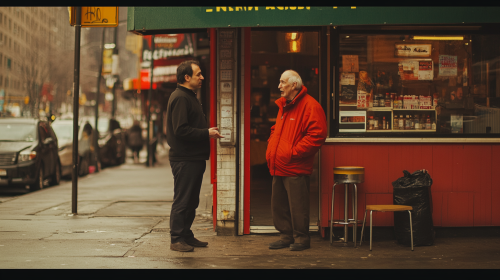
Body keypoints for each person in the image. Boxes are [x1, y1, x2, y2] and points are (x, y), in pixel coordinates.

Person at [266, 70, 327, 251]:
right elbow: (277, 129)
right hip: (279, 164)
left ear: (294, 85)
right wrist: (272, 144)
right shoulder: (284, 105)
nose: (279, 86)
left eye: (282, 82)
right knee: (279, 204)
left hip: (295, 165)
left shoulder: (311, 106)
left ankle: (302, 238)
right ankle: (285, 236)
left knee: (297, 205)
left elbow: (318, 135)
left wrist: (293, 153)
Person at [166, 60, 223, 252]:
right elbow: (181, 130)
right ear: (186, 77)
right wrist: (206, 133)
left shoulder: (188, 96)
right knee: (183, 199)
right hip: (185, 159)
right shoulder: (181, 97)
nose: (202, 77)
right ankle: (176, 238)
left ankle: (186, 234)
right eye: (198, 74)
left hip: (193, 158)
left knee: (192, 200)